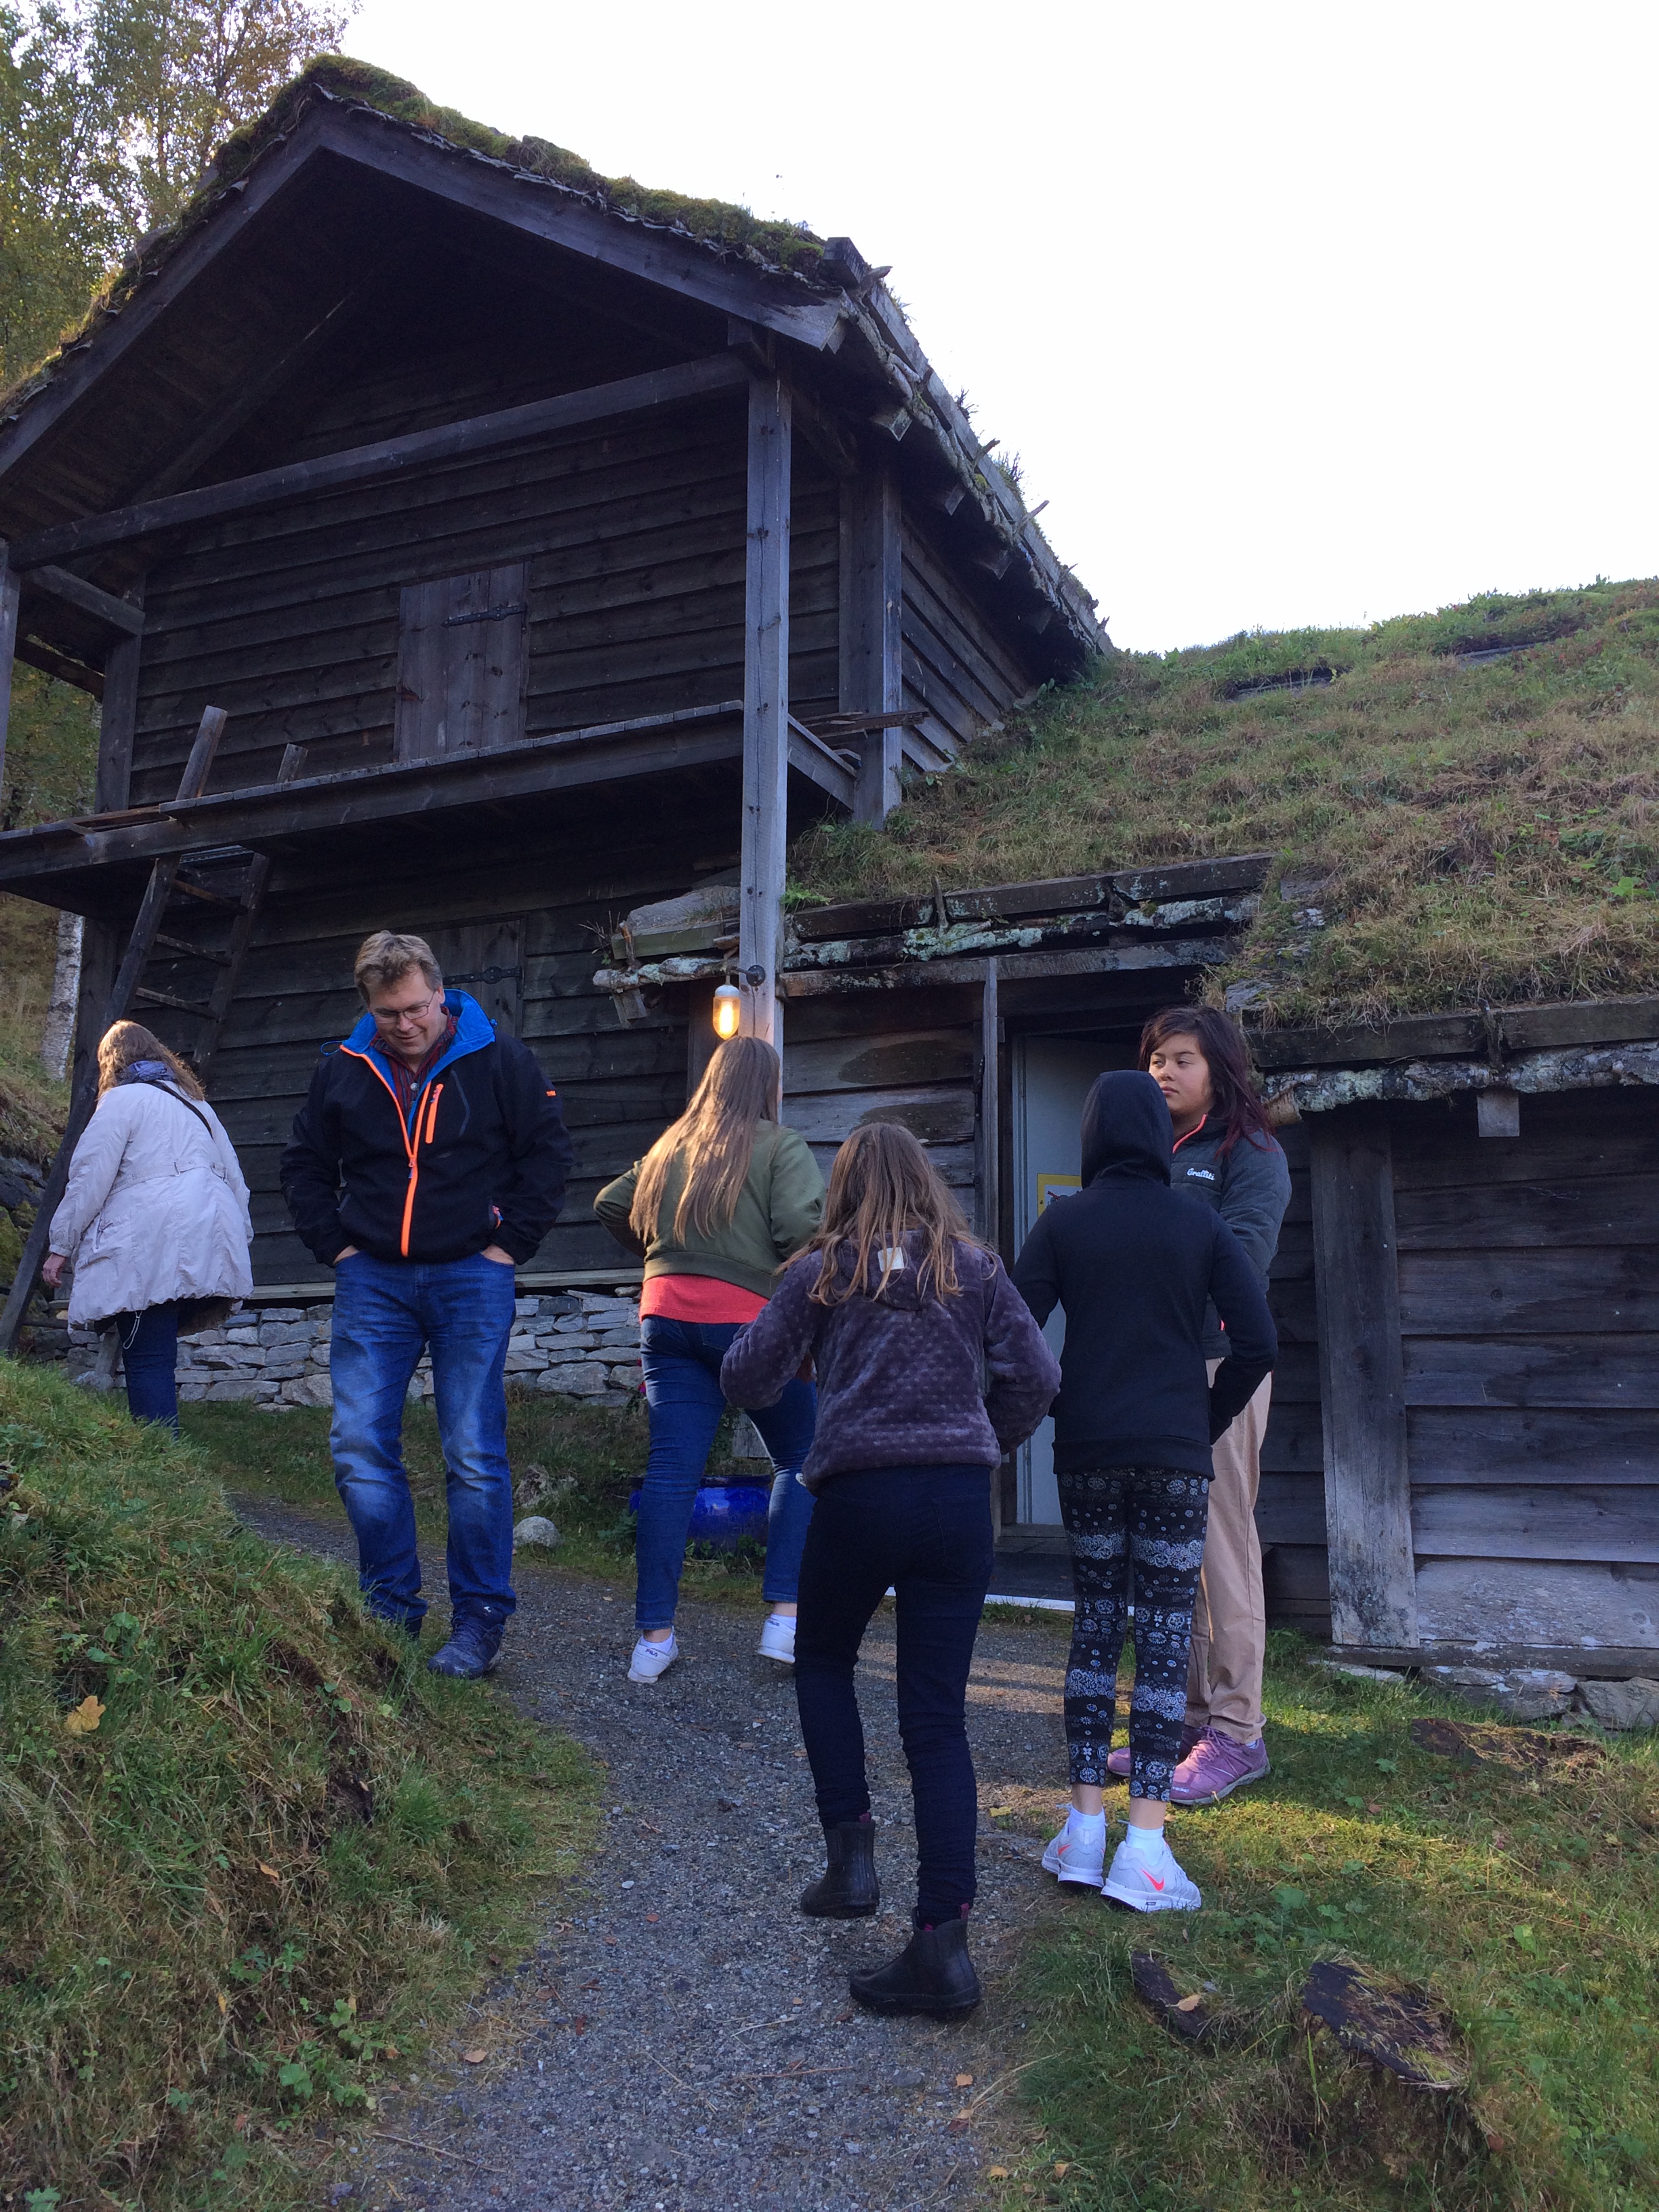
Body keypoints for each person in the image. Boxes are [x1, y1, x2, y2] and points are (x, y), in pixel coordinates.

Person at [722, 1124, 1060, 2018]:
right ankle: (942, 1947)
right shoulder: (975, 1269)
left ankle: (851, 1862)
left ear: (841, 1188)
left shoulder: (823, 1271)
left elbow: (745, 1377)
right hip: (957, 1503)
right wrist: (983, 1442)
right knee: (937, 1721)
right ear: (929, 1183)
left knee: (824, 1660)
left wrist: (808, 1357)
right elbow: (1037, 1376)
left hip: (861, 1497)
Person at [1012, 1071, 1275, 1912]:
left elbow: (1011, 1334)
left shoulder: (1063, 1222)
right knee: (1163, 1638)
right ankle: (1147, 1850)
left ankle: (1083, 1831)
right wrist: (1205, 1420)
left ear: (1092, 1135)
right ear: (1157, 1136)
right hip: (1175, 1453)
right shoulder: (1199, 1222)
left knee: (1096, 1626)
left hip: (1088, 1450)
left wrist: (1052, 1400)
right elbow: (1258, 1343)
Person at [280, 931, 573, 1679]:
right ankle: (390, 1611)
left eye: (416, 1008)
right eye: (389, 1013)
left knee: (472, 1453)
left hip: (472, 1274)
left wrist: (510, 1245)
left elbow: (548, 1153)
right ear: (368, 1008)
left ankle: (479, 1622)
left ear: (441, 994)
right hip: (372, 1279)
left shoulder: (500, 1060)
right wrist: (336, 1248)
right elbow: (304, 1163)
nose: (406, 1024)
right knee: (358, 1445)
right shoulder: (343, 1069)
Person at [594, 1036, 824, 1683]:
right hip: (749, 1324)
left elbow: (610, 1203)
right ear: (769, 1086)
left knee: (672, 1473)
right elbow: (801, 1230)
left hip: (665, 1315)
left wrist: (662, 1252)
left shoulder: (671, 1146)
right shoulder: (780, 1146)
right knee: (801, 1459)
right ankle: (784, 1622)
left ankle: (653, 1642)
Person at [1135, 1006, 1292, 1805]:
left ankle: (1238, 1730)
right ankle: (1190, 1716)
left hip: (1218, 1362)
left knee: (1222, 1543)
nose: (1164, 1071)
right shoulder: (1144, 1151)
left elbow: (1243, 1257)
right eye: (1156, 1059)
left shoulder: (1251, 1151)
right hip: (1153, 1364)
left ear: (1219, 1069)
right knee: (1175, 1546)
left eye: (1182, 1059)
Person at [43, 1021, 253, 1436]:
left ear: (111, 1062)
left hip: (151, 1241)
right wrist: (237, 1240)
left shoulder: (121, 1101)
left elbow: (89, 1178)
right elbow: (236, 1183)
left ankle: (163, 1456)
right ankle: (166, 1450)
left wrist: (60, 1246)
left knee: (147, 1358)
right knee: (157, 1351)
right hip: (208, 1235)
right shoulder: (197, 1106)